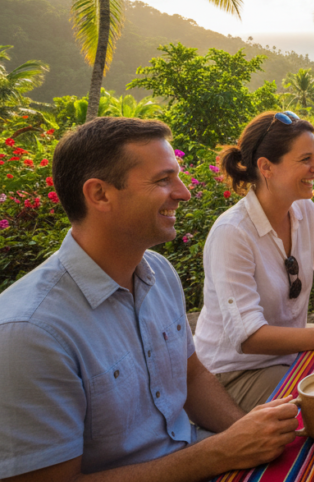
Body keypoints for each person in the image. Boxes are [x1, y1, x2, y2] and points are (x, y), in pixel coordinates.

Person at [0, 118, 298, 480]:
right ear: (100, 194)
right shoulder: (29, 332)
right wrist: (220, 453)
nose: (184, 193)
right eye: (162, 180)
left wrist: (248, 435)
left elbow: (191, 376)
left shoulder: (158, 272)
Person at [195, 111, 314, 412]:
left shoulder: (302, 210)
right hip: (236, 372)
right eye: (306, 159)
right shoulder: (232, 234)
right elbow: (250, 337)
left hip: (289, 355)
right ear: (266, 167)